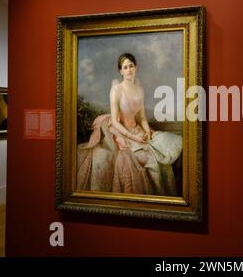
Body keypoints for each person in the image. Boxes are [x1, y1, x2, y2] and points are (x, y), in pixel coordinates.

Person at [77, 53, 182, 196]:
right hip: (121, 130)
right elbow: (114, 120)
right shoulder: (116, 90)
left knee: (167, 145)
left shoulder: (139, 89)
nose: (128, 70)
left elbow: (142, 116)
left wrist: (147, 131)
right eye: (125, 67)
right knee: (148, 160)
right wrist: (133, 137)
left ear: (136, 67)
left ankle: (164, 200)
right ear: (121, 71)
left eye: (131, 66)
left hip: (136, 128)